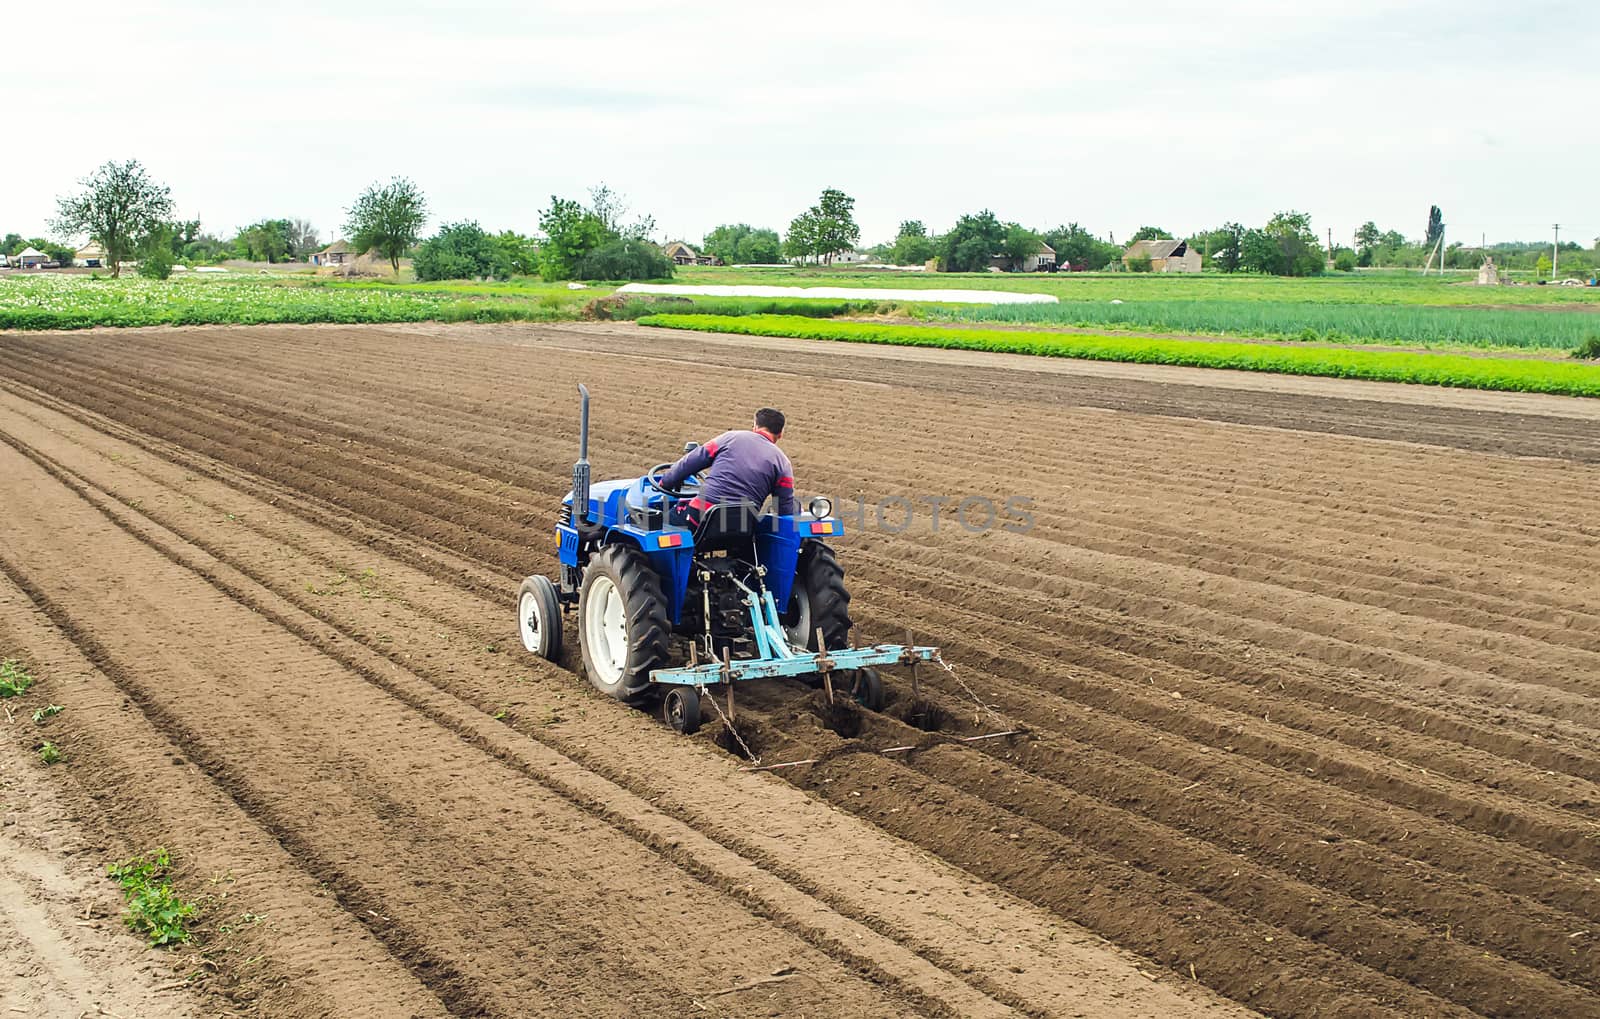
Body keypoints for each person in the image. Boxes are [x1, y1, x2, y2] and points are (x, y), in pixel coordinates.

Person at [657, 408, 797, 528]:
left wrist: (665, 482)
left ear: (755, 426)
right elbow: (785, 508)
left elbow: (690, 462)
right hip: (743, 524)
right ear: (780, 434)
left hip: (703, 514)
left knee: (656, 525)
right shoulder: (783, 462)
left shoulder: (730, 438)